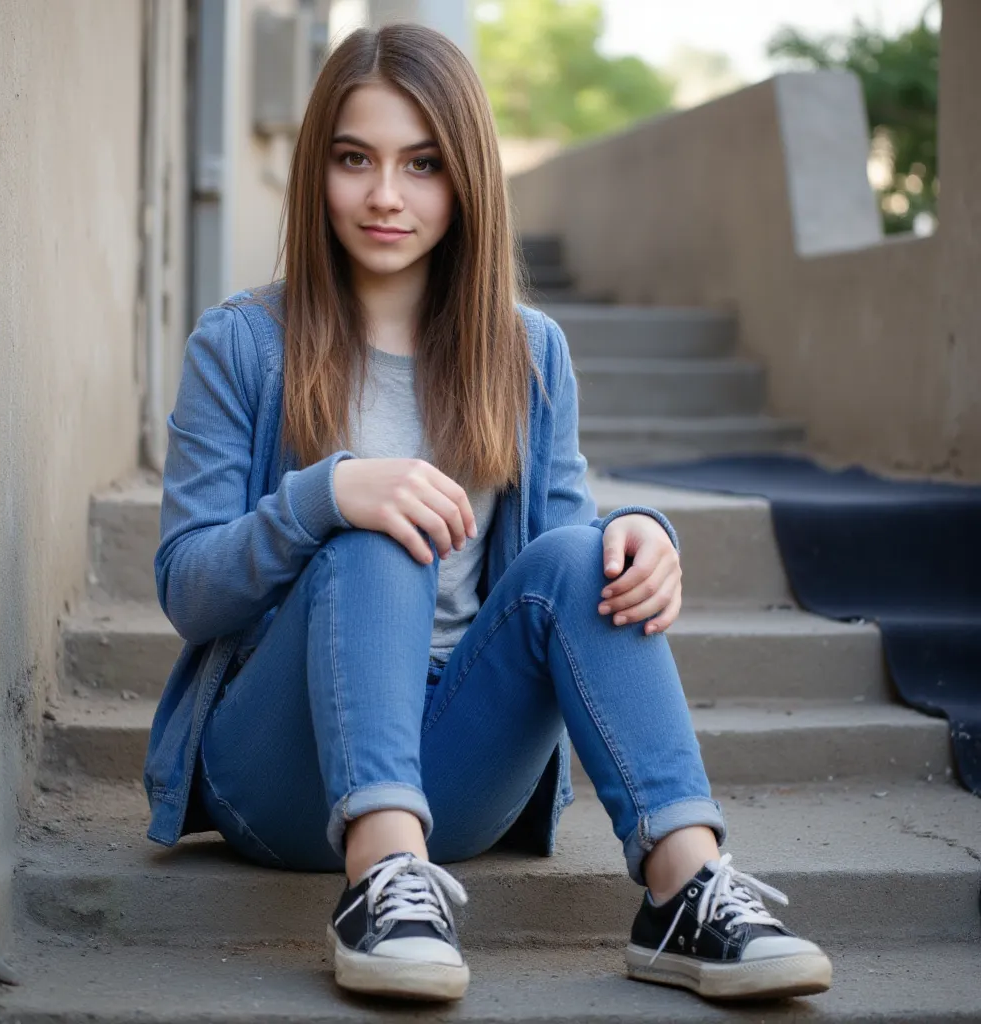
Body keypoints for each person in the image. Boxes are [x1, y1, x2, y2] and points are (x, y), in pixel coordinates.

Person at [143, 22, 832, 1005]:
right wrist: (325, 495)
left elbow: (559, 547)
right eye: (355, 159)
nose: (386, 195)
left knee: (584, 552)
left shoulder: (528, 352)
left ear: (465, 177)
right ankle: (378, 884)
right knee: (374, 530)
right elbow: (188, 588)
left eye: (421, 164)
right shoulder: (242, 346)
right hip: (283, 766)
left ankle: (683, 889)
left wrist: (636, 541)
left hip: (455, 772)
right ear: (317, 172)